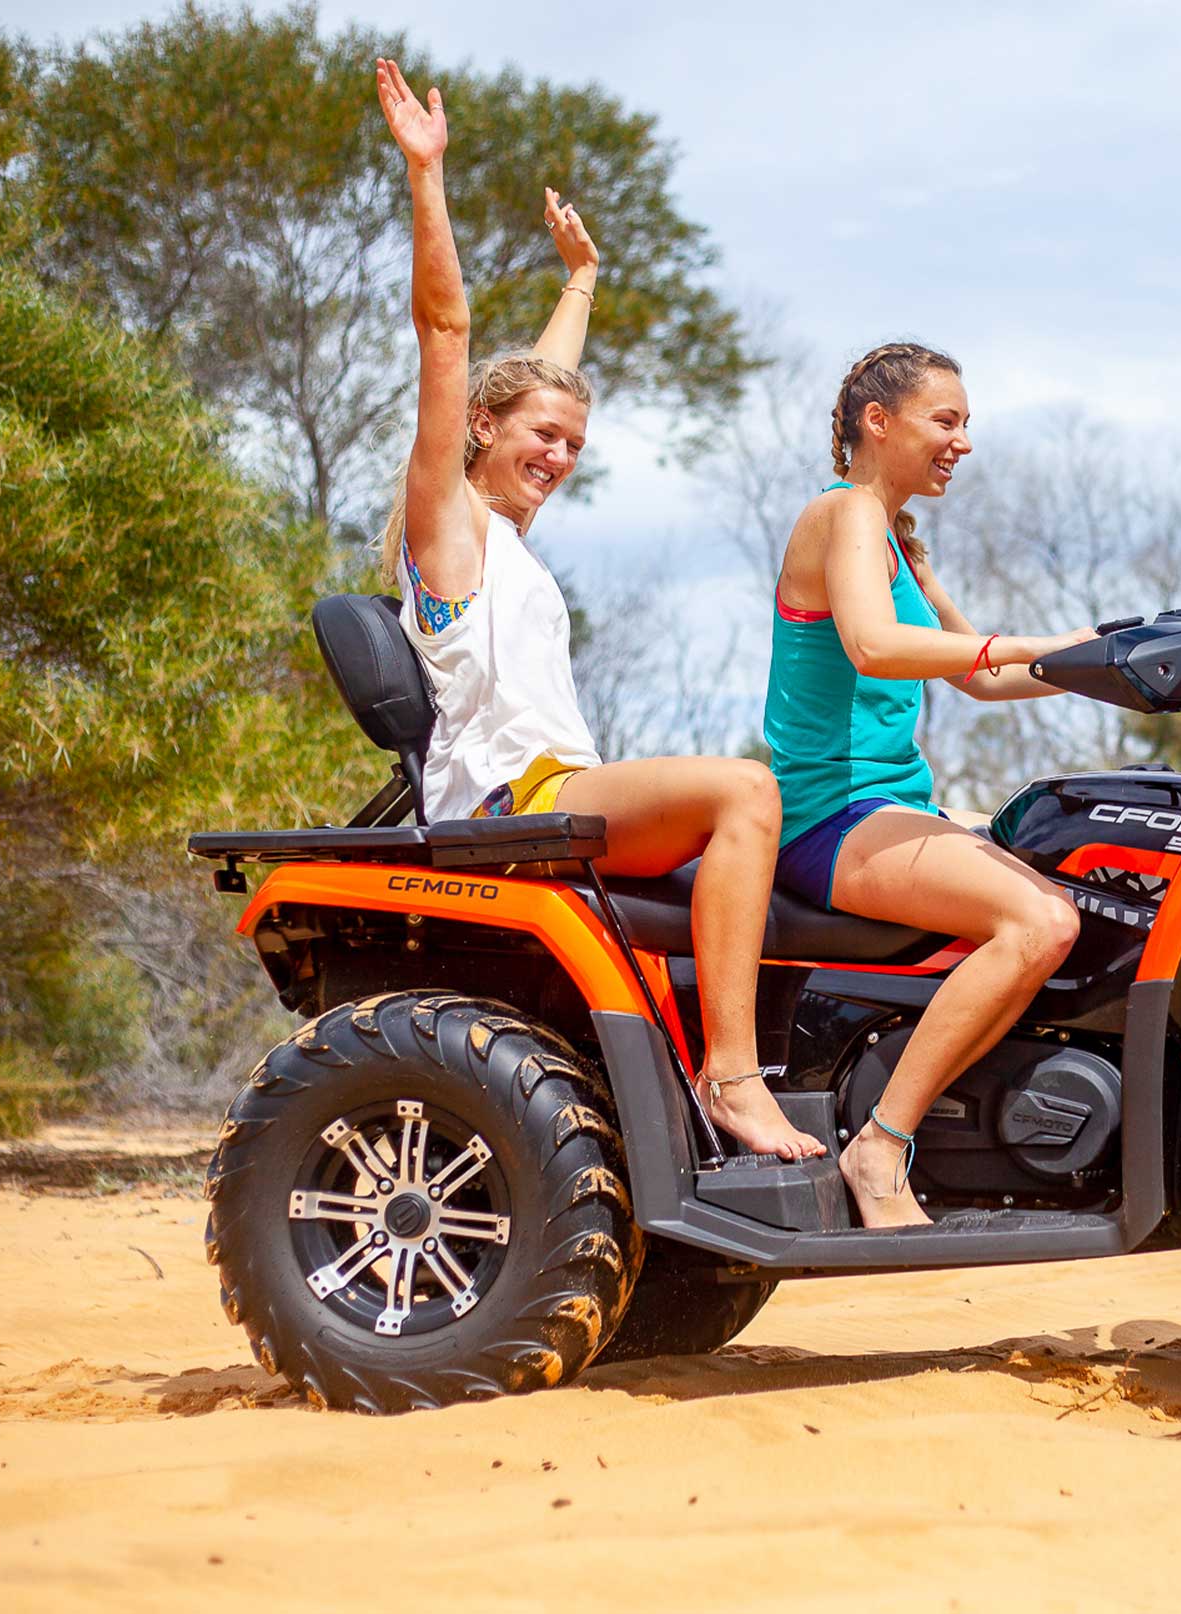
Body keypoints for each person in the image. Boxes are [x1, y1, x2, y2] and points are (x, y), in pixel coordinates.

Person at [374, 59, 819, 1162]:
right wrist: (426, 179)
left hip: (558, 787)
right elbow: (449, 343)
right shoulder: (444, 528)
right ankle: (731, 1078)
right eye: (542, 439)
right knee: (743, 793)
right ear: (479, 428)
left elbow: (535, 383)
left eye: (576, 447)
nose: (561, 458)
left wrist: (582, 280)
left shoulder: (505, 539)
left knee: (781, 813)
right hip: (510, 799)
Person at [764, 342, 1097, 1225]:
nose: (963, 443)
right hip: (829, 815)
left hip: (893, 805)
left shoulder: (897, 535)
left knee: (1092, 893)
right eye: (945, 422)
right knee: (1040, 920)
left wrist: (1106, 661)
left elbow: (980, 676)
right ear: (880, 422)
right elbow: (875, 646)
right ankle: (879, 1146)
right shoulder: (843, 515)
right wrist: (1026, 643)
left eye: (966, 426)